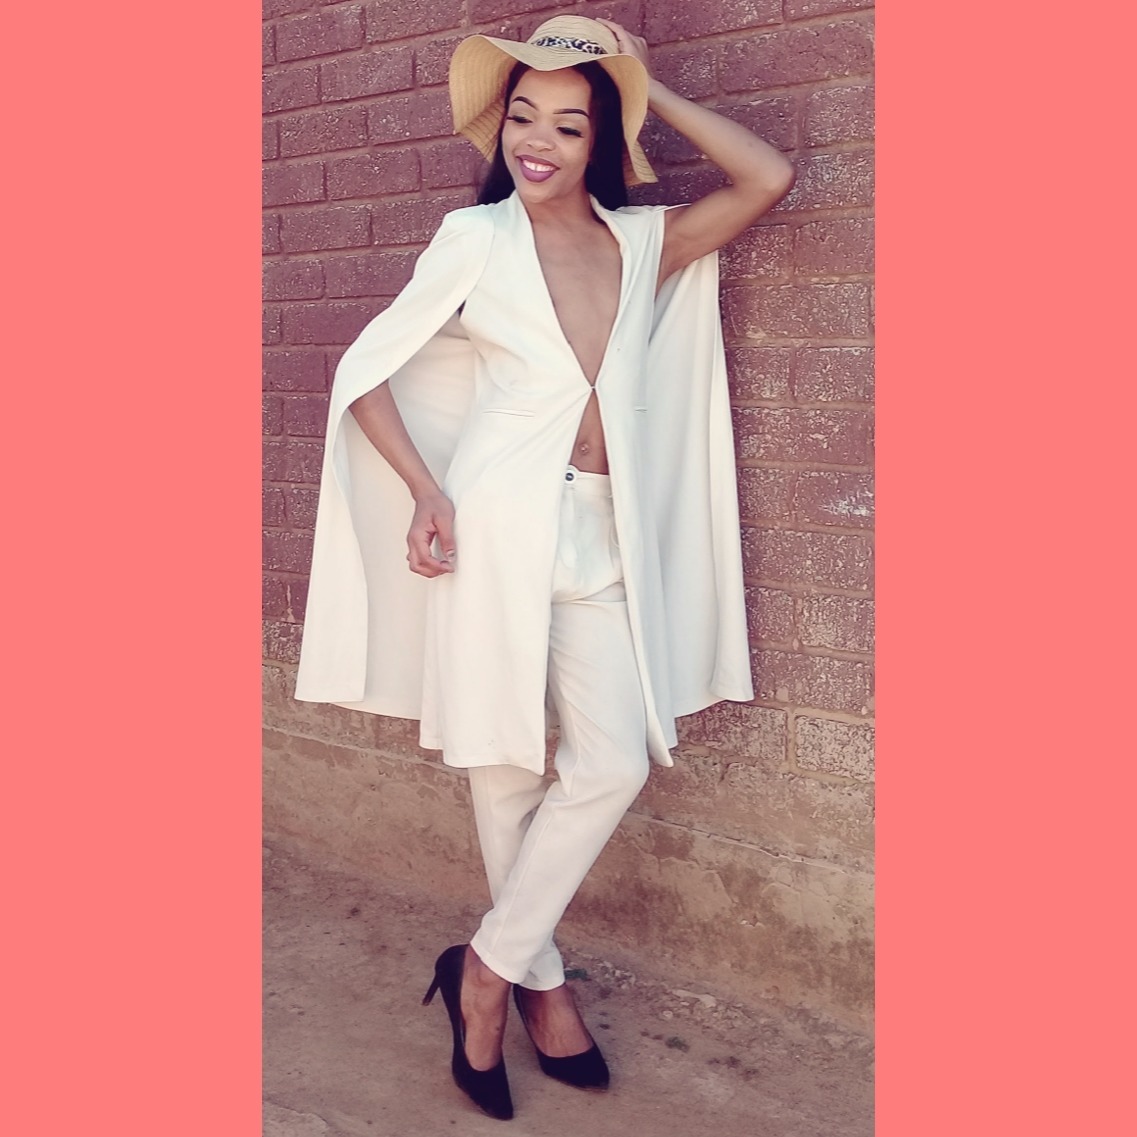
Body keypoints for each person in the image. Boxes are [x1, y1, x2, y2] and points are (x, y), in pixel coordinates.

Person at [294, 14, 794, 1121]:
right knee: (507, 767)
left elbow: (766, 176)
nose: (537, 140)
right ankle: (542, 984)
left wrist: (642, 86)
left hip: (603, 533)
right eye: (523, 115)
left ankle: (483, 968)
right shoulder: (474, 239)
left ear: (600, 138)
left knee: (610, 761)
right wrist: (426, 492)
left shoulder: (642, 242)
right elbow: (364, 372)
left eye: (569, 123)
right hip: (496, 527)